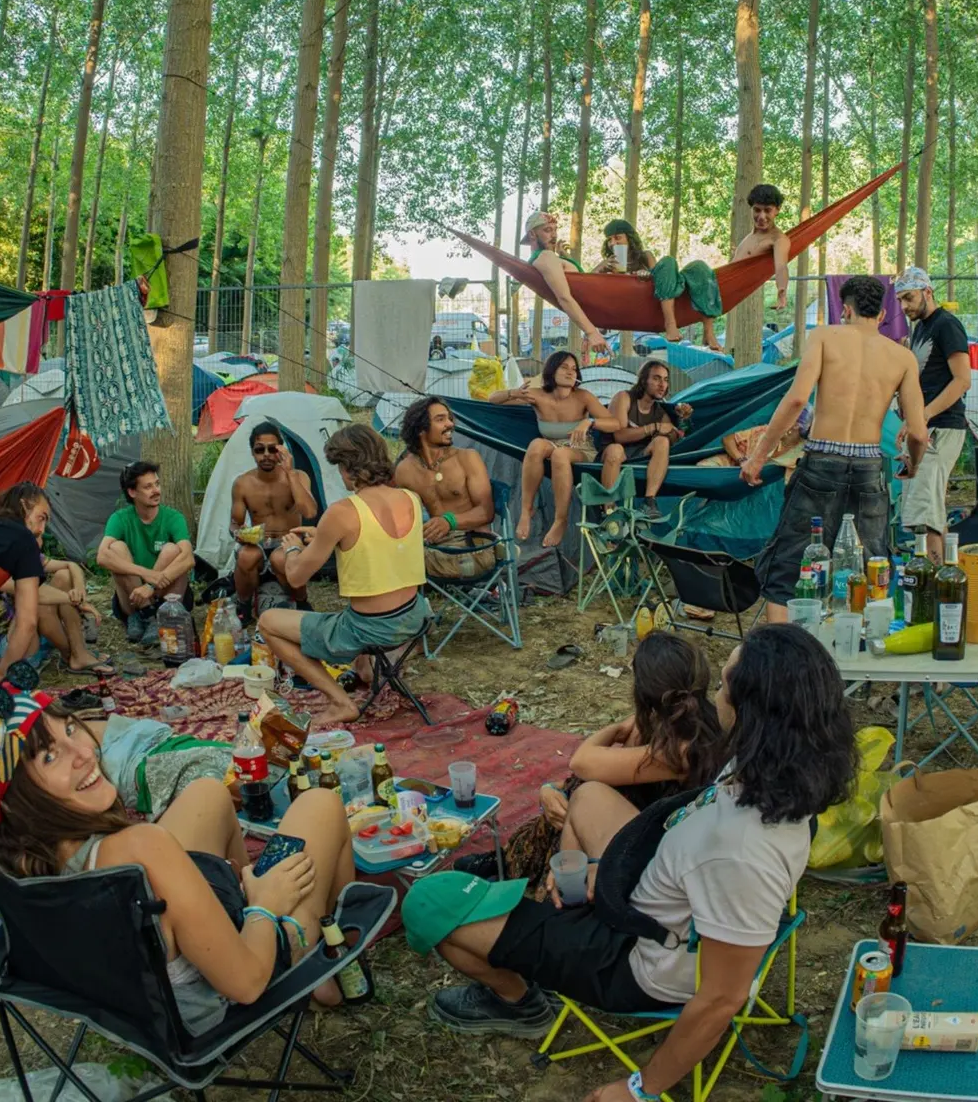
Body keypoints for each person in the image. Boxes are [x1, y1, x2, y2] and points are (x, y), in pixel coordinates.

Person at [404, 626, 857, 1089]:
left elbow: (722, 996)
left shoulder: (739, 852)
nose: (716, 696)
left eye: (723, 686)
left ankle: (519, 1003)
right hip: (656, 888)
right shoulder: (776, 769)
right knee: (591, 796)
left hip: (639, 956)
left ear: (752, 713)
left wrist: (640, 1088)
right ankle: (557, 908)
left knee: (429, 901)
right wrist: (610, 865)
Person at [0, 665, 358, 1029]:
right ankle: (324, 966)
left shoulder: (7, 852)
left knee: (207, 793)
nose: (84, 753)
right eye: (50, 757)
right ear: (18, 797)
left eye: (70, 730)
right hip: (215, 997)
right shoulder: (141, 848)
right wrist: (264, 905)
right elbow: (246, 984)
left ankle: (234, 904)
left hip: (133, 986)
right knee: (320, 805)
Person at [455, 634, 723, 886]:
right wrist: (550, 789)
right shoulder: (685, 722)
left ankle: (528, 872)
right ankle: (510, 859)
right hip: (647, 815)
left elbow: (582, 762)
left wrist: (616, 730)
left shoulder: (681, 749)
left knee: (579, 795)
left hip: (654, 841)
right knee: (566, 794)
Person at [741, 275, 928, 623]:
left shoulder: (825, 337)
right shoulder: (902, 357)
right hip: (870, 466)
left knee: (791, 564)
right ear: (883, 312)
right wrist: (913, 464)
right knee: (870, 567)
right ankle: (857, 661)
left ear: (845, 309)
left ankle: (781, 659)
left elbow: (797, 398)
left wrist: (758, 456)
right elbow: (918, 432)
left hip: (822, 461)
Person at [259, 425, 431, 727]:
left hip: (371, 629)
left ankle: (340, 701)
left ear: (348, 468)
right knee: (353, 608)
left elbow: (296, 577)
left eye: (339, 468)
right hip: (415, 617)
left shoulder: (342, 512)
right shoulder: (410, 498)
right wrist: (326, 536)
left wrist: (291, 549)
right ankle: (366, 670)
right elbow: (378, 546)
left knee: (268, 622)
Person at [0, 484, 112, 683]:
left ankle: (78, 653)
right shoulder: (16, 541)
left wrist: (79, 592)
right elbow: (29, 615)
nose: (42, 529)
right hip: (9, 650)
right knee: (36, 601)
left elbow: (71, 567)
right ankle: (74, 655)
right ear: (24, 507)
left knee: (61, 578)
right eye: (41, 518)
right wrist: (2, 671)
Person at [487, 351, 619, 548]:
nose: (570, 372)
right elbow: (492, 399)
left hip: (580, 448)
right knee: (536, 445)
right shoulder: (538, 395)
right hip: (551, 444)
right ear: (551, 370)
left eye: (574, 369)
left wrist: (589, 422)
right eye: (564, 367)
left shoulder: (583, 397)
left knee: (560, 454)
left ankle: (560, 520)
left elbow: (615, 423)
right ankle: (526, 510)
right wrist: (513, 393)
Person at [895, 266, 972, 565]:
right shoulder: (920, 328)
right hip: (921, 426)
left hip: (943, 427)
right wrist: (909, 422)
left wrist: (923, 416)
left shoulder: (947, 325)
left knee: (924, 512)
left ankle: (939, 583)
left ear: (928, 291)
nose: (904, 307)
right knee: (926, 509)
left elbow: (962, 380)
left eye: (909, 298)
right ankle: (943, 577)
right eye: (900, 300)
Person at [394, 397, 498, 578]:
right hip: (435, 546)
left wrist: (448, 521)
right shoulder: (405, 470)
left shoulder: (467, 458)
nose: (450, 424)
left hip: (472, 547)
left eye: (449, 418)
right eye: (440, 419)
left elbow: (486, 512)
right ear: (420, 428)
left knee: (400, 564)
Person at [96, 462, 195, 646]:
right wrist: (145, 574)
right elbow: (101, 556)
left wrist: (150, 585)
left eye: (157, 484)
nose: (156, 490)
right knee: (115, 549)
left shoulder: (173, 517)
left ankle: (156, 616)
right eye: (148, 486)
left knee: (173, 550)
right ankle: (144, 615)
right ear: (132, 492)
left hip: (166, 594)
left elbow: (189, 558)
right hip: (132, 598)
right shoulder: (120, 518)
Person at [229, 421, 317, 610]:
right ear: (253, 452)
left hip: (289, 541)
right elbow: (234, 523)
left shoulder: (298, 476)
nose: (266, 455)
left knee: (280, 558)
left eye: (272, 449)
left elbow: (309, 511)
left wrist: (290, 473)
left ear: (281, 450)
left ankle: (301, 601)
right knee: (245, 555)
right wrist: (239, 533)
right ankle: (243, 605)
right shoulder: (242, 483)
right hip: (259, 542)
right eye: (260, 450)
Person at [599, 360, 684, 519]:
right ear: (644, 380)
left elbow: (673, 437)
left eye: (665, 380)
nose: (662, 385)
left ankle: (649, 501)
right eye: (657, 378)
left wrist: (681, 420)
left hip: (640, 457)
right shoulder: (624, 398)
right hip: (613, 452)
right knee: (615, 450)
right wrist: (653, 427)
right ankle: (608, 510)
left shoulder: (659, 411)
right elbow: (619, 436)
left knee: (662, 442)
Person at [521, 211, 610, 358]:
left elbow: (579, 281)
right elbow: (564, 297)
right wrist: (591, 332)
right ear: (532, 235)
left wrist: (564, 256)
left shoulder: (551, 257)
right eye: (547, 230)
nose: (554, 235)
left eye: (555, 230)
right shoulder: (545, 257)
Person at [733, 183, 791, 314]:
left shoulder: (778, 239)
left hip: (729, 289)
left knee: (697, 267)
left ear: (777, 210)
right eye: (757, 210)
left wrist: (782, 291)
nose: (761, 217)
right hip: (722, 282)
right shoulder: (749, 237)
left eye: (767, 210)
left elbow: (781, 266)